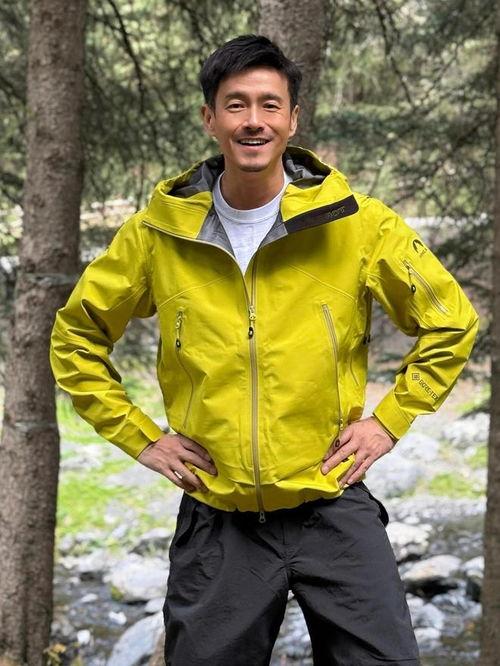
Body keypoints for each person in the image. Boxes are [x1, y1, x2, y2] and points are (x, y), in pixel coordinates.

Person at [49, 34, 479, 666]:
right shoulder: (156, 235)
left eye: (270, 104)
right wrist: (143, 439)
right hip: (219, 519)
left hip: (332, 503)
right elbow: (75, 337)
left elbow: (451, 322)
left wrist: (388, 422)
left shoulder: (359, 224)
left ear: (293, 119)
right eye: (236, 104)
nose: (254, 120)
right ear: (210, 118)